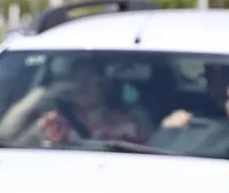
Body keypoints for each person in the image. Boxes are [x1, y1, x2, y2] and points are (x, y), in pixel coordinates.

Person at [19, 58, 150, 145]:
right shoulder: (54, 122)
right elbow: (10, 141)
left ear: (104, 84)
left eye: (88, 79)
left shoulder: (127, 125)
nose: (82, 85)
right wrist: (38, 95)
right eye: (76, 80)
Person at [161, 63, 229, 129]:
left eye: (222, 74)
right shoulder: (195, 103)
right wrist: (168, 127)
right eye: (209, 73)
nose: (210, 79)